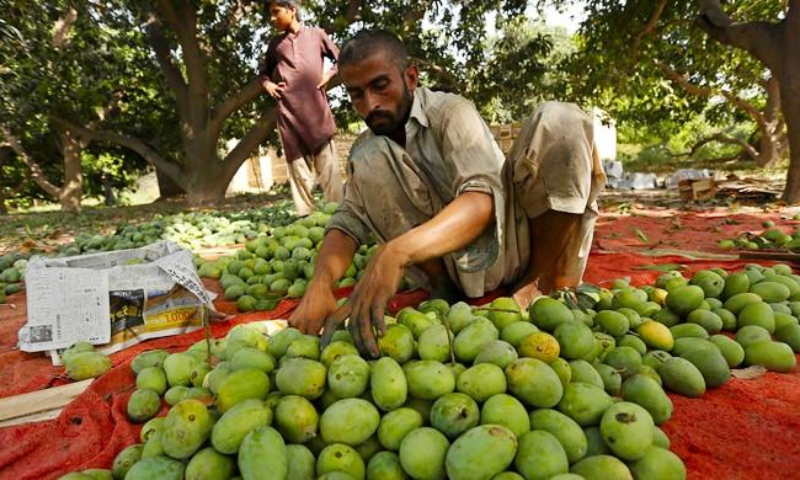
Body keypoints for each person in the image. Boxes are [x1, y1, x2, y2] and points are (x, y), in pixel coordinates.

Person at [289, 29, 606, 356]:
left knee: (561, 120)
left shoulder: (452, 113)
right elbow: (348, 221)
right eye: (357, 95)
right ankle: (445, 290)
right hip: (448, 267)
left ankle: (537, 283)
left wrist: (397, 252)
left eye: (380, 86)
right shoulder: (367, 147)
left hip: (512, 245)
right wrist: (321, 283)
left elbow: (481, 198)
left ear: (411, 77)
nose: (370, 104)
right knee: (367, 156)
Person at [259, 0, 344, 216]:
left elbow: (341, 58)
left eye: (276, 12)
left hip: (318, 116)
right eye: (270, 14)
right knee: (299, 173)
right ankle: (305, 219)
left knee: (330, 174)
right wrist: (268, 84)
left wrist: (328, 75)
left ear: (292, 10)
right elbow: (263, 74)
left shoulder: (316, 34)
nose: (272, 18)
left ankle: (342, 222)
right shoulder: (275, 45)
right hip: (289, 116)